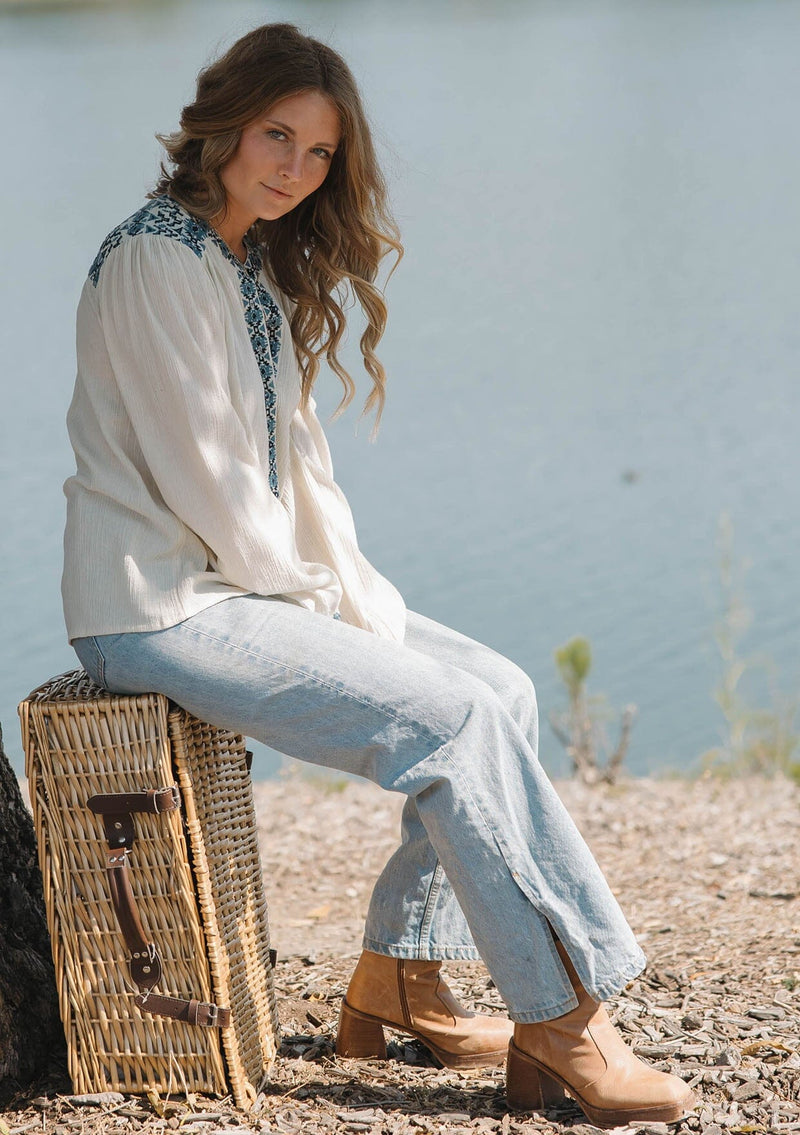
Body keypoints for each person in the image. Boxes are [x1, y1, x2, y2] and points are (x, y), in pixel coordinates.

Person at [62, 23, 694, 1129]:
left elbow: (299, 481)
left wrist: (363, 608)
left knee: (495, 688)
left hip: (246, 587)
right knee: (447, 722)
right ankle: (564, 1013)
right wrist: (329, 615)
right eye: (275, 136)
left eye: (317, 155)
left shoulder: (239, 262)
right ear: (219, 121)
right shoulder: (159, 259)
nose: (293, 172)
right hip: (159, 604)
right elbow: (213, 489)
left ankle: (401, 973)